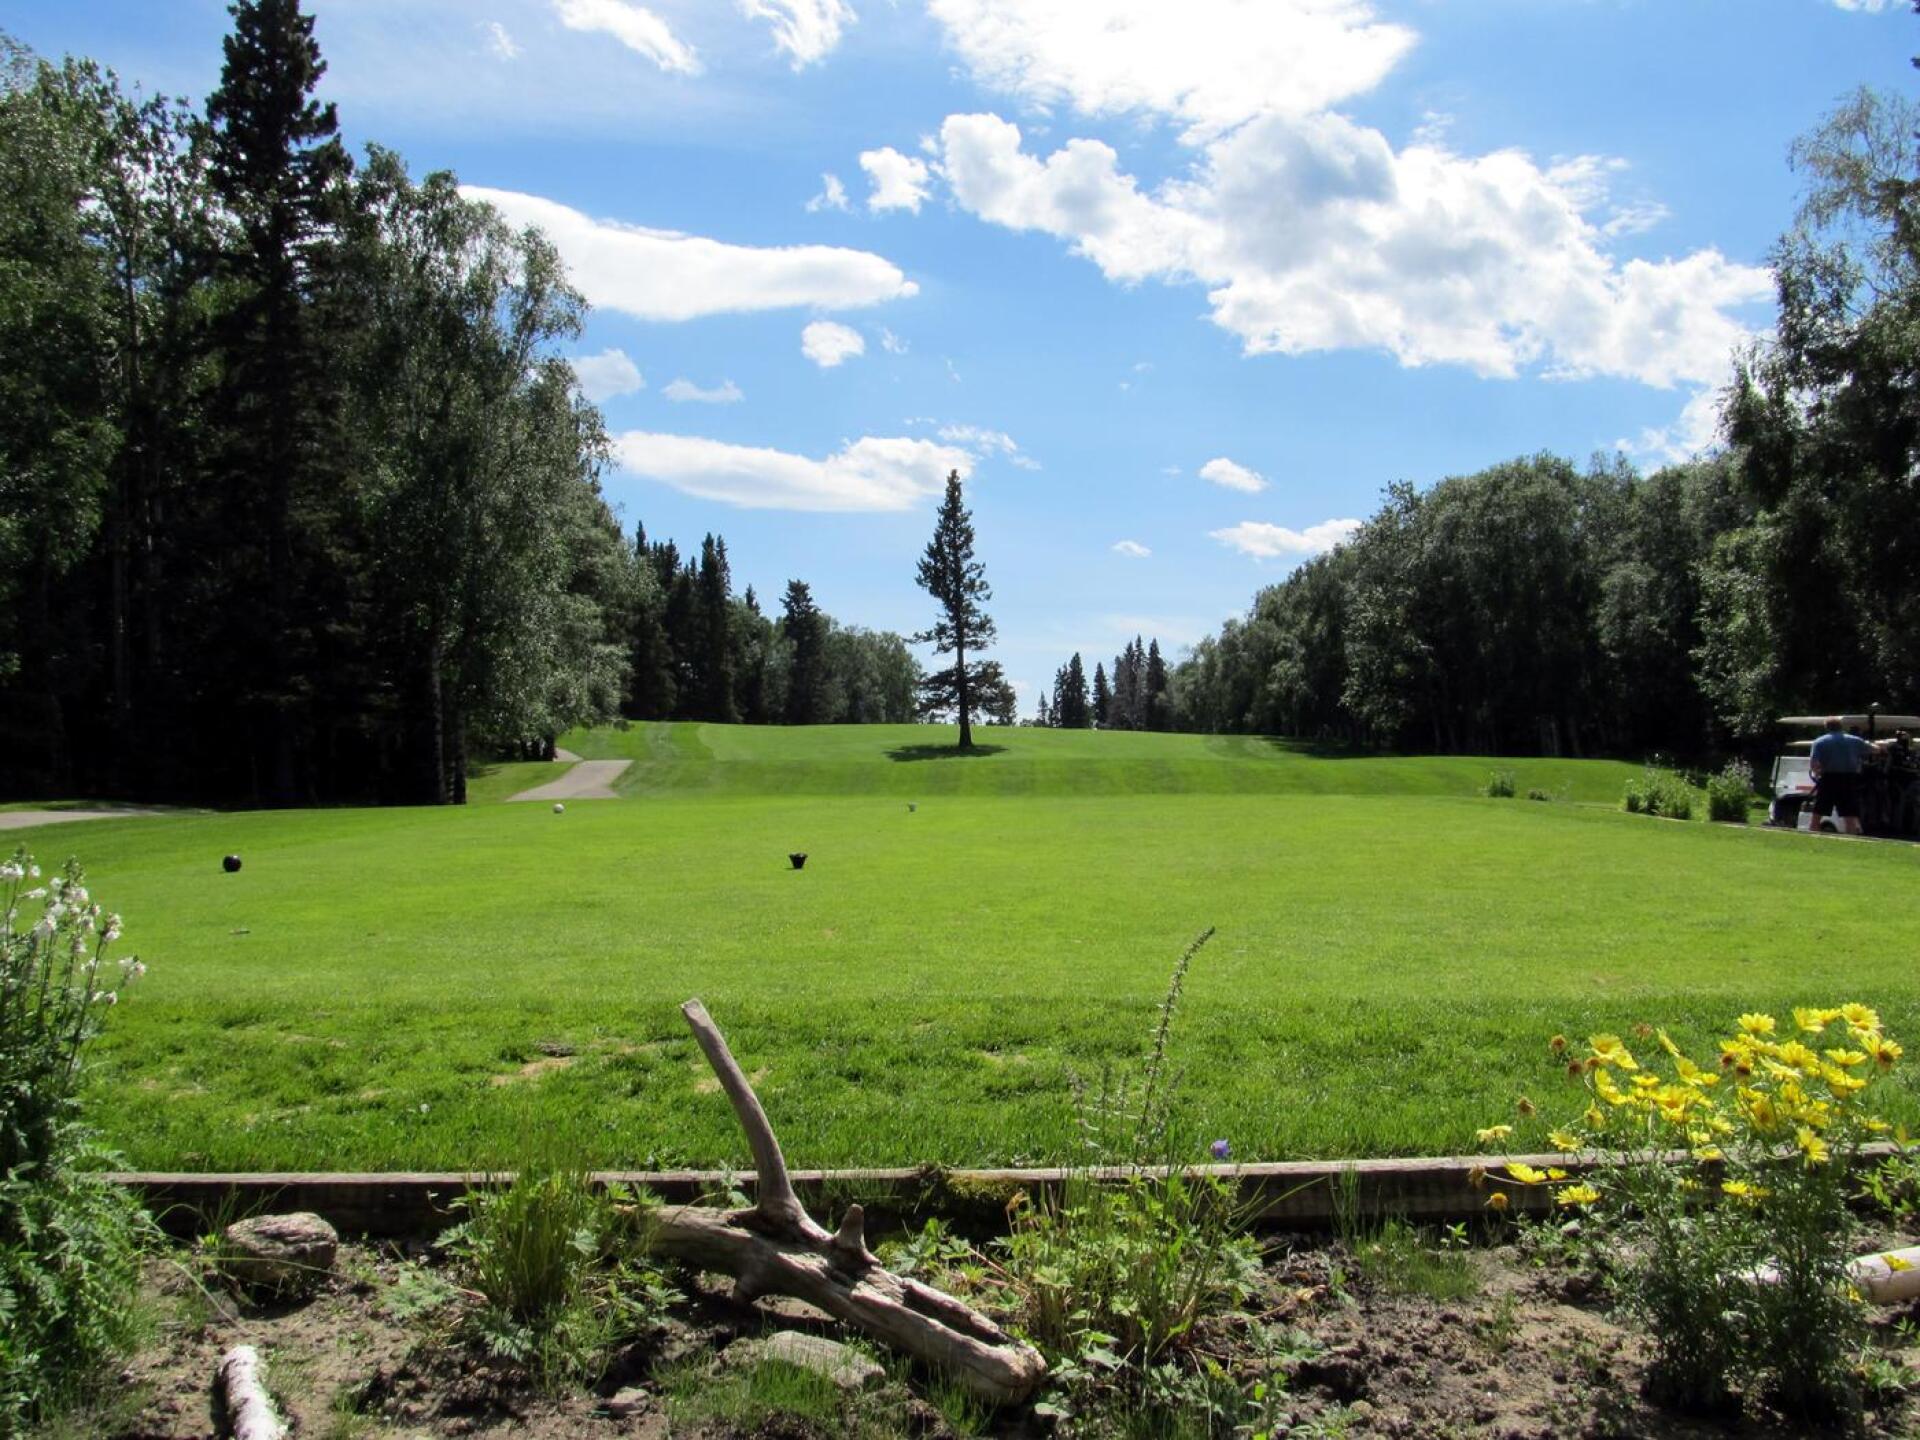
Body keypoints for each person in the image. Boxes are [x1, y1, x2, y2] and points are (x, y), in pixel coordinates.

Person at [1808, 716, 1878, 836]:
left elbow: (1814, 763)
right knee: (1849, 814)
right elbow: (1875, 750)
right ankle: (1850, 838)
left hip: (1828, 778)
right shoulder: (1855, 740)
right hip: (1849, 779)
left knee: (1818, 812)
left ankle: (1813, 835)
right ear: (1841, 727)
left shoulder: (1820, 741)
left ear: (1827, 728)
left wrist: (1817, 774)